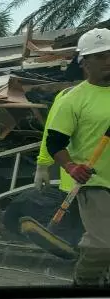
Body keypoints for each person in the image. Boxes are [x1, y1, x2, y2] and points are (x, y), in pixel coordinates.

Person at [44, 27, 110, 287]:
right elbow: (55, 142)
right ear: (85, 63)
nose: (109, 61)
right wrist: (71, 167)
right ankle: (84, 283)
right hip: (96, 182)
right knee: (103, 244)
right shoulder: (74, 99)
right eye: (101, 56)